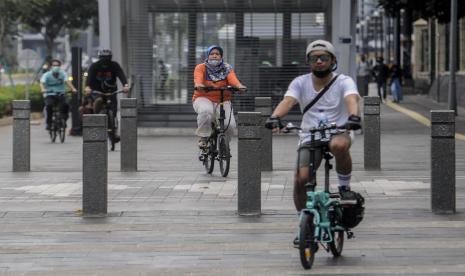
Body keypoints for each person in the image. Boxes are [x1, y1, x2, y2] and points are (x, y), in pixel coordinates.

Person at [264, 40, 362, 240]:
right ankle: (304, 222)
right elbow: (288, 101)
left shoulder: (344, 81)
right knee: (301, 178)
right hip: (310, 134)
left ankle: (344, 187)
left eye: (323, 58)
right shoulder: (300, 82)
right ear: (308, 61)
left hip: (339, 130)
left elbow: (351, 99)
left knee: (339, 145)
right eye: (314, 58)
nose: (319, 61)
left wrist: (353, 117)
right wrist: (275, 117)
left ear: (332, 60)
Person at [193, 45, 247, 148]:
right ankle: (203, 137)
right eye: (212, 54)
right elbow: (198, 78)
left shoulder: (227, 68)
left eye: (217, 54)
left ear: (221, 56)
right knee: (206, 111)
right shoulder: (201, 67)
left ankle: (224, 143)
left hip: (223, 99)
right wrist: (199, 85)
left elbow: (233, 80)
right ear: (207, 56)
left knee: (230, 125)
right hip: (203, 97)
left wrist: (239, 86)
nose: (214, 56)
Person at [84, 49, 129, 141]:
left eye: (107, 58)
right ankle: (96, 119)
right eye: (103, 58)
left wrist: (125, 85)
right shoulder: (94, 66)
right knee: (99, 101)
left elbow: (121, 75)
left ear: (110, 58)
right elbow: (89, 78)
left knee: (114, 110)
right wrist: (87, 87)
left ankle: (114, 131)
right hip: (97, 91)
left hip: (111, 91)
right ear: (100, 58)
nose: (105, 60)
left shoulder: (114, 65)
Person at [40, 59, 77, 130]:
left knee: (66, 105)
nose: (55, 67)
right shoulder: (46, 75)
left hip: (61, 93)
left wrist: (73, 89)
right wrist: (43, 89)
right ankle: (49, 123)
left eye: (57, 65)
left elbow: (67, 81)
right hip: (49, 94)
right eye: (54, 65)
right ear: (51, 67)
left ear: (60, 66)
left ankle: (64, 120)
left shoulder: (63, 73)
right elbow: (42, 83)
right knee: (49, 106)